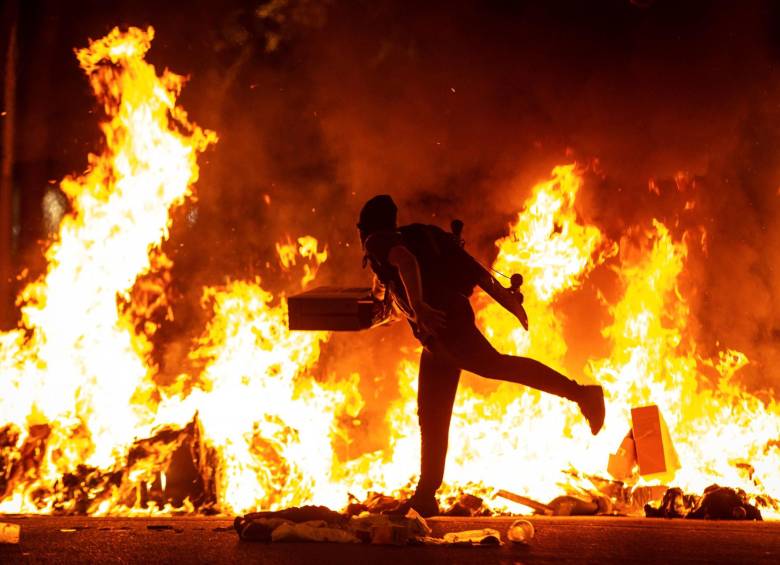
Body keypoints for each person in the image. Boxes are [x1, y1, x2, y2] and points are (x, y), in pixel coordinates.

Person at [358, 194, 605, 517]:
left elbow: (405, 262)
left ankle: (582, 393)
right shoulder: (412, 240)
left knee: (495, 366)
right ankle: (425, 496)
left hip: (446, 327)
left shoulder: (380, 241)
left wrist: (419, 306)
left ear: (365, 228)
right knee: (431, 412)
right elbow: (474, 271)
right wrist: (509, 302)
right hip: (439, 335)